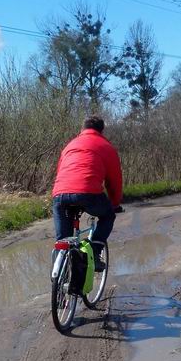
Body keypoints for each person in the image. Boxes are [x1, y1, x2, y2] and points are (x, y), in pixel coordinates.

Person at [52, 116, 122, 271]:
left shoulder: (69, 146)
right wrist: (115, 203)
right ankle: (95, 252)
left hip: (60, 195)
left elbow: (60, 171)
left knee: (63, 240)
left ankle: (59, 272)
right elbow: (114, 180)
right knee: (108, 215)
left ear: (81, 129)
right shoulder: (105, 146)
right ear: (101, 130)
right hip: (87, 192)